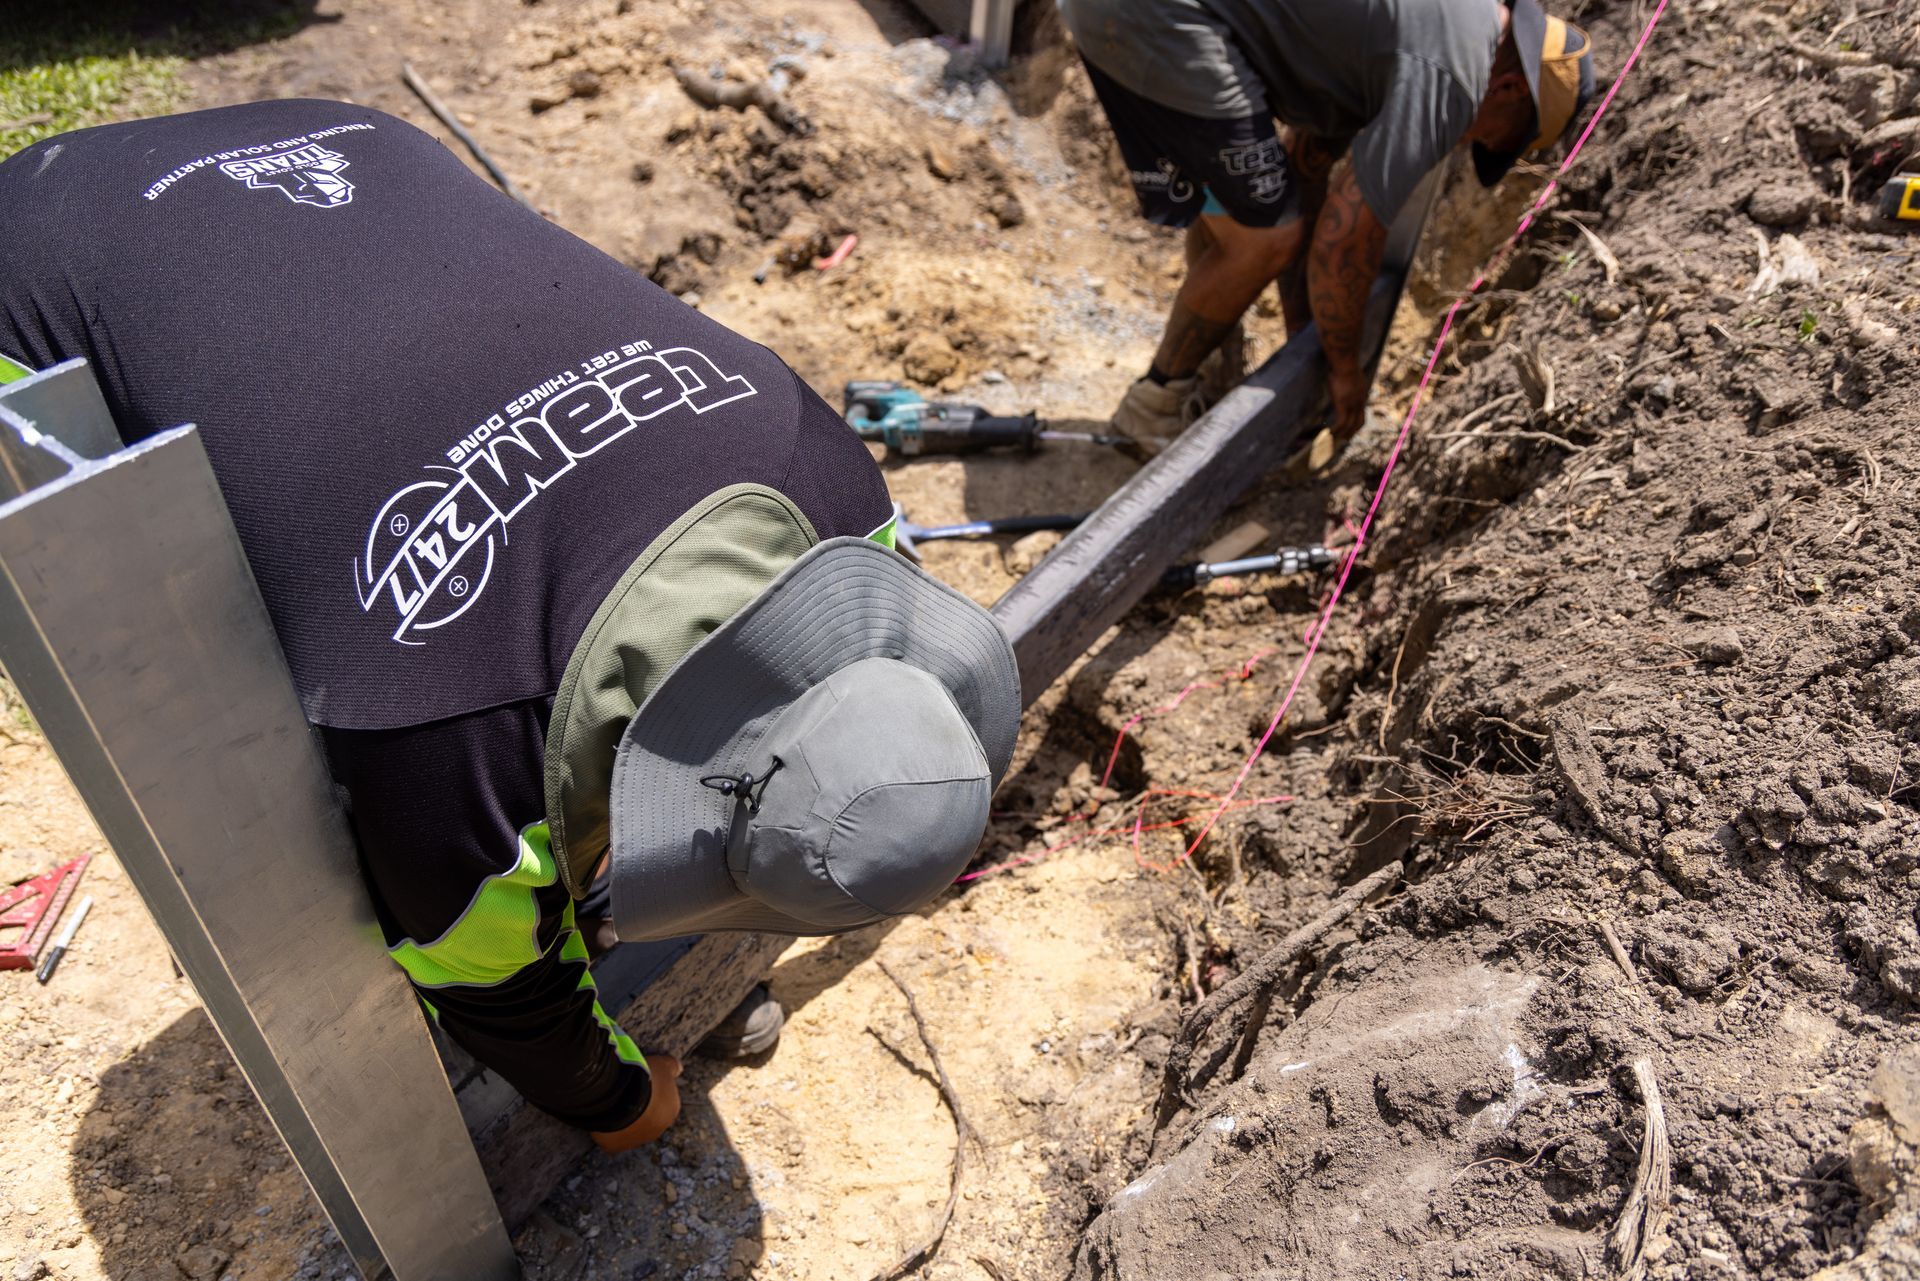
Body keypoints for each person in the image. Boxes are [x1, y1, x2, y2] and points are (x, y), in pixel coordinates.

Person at [0, 100, 1021, 1153]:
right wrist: (625, 1103)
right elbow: (502, 996)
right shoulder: (451, 740)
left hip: (352, 147)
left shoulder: (837, 482)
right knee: (196, 705)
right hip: (29, 264)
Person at [1060, 0, 1596, 455]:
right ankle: (1153, 408)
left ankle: (1191, 376)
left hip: (1143, 13)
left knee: (1250, 211)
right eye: (1496, 139)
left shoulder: (1446, 20)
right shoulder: (1454, 75)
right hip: (1158, 17)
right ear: (1509, 90)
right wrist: (1343, 374)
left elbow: (1306, 169)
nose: (1470, 142)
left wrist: (1304, 339)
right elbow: (1346, 241)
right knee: (1264, 237)